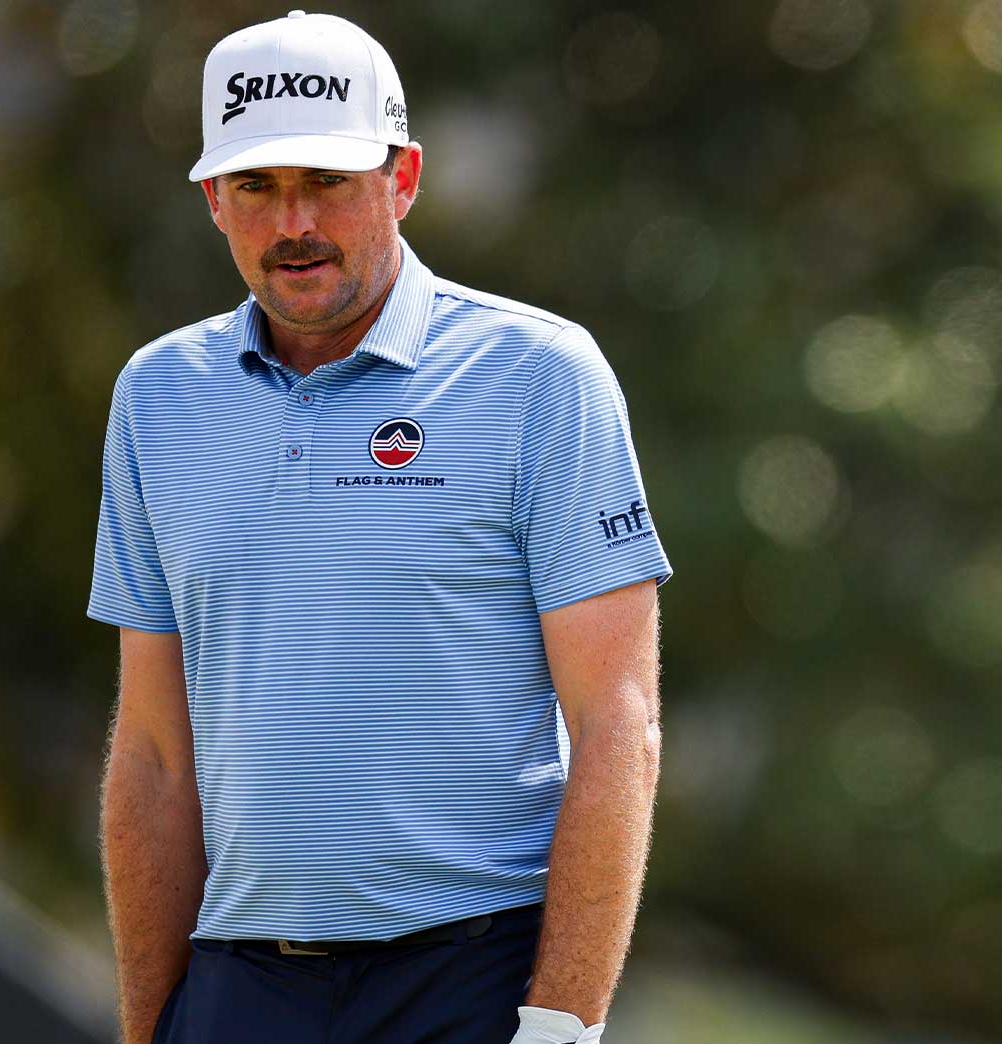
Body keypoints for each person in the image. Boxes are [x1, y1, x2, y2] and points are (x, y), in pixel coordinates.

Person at [88, 11, 671, 1044]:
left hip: (468, 978)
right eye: (257, 188)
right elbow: (151, 756)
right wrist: (147, 1030)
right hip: (237, 988)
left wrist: (559, 1027)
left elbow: (616, 726)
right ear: (214, 200)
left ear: (401, 179)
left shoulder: (540, 376)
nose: (292, 222)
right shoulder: (157, 398)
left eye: (329, 182)